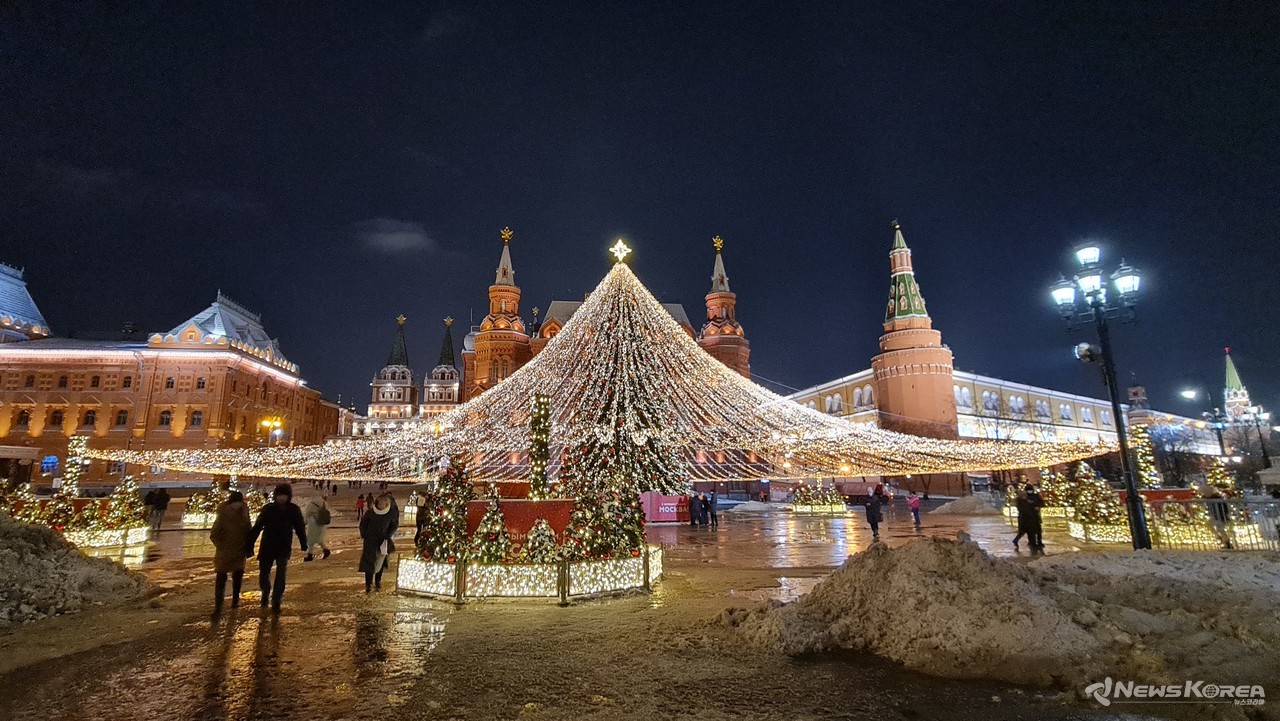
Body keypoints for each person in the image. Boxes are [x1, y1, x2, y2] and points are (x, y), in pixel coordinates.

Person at [247, 483, 307, 613]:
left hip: (283, 546)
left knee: (281, 575)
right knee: (264, 573)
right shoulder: (268, 508)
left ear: (288, 496)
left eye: (284, 495)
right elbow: (258, 526)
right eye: (280, 495)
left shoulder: (293, 509)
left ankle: (276, 600)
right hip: (267, 544)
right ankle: (265, 591)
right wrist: (250, 542)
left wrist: (304, 542)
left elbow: (299, 527)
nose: (282, 498)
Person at [210, 491, 252, 614]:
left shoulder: (243, 512)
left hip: (236, 551)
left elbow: (248, 529)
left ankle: (230, 603)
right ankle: (222, 605)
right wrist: (221, 546)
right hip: (228, 551)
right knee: (224, 577)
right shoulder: (225, 513)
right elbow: (215, 533)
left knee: (233, 577)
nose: (237, 505)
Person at [359, 492, 399, 592]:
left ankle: (378, 581)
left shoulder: (391, 514)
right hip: (370, 541)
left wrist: (388, 535)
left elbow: (394, 525)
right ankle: (368, 583)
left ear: (386, 504)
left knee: (380, 563)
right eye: (379, 503)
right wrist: (364, 534)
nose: (380, 505)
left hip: (382, 541)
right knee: (369, 563)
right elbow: (363, 524)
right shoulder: (370, 512)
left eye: (383, 504)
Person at [302, 494, 333, 561]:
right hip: (322, 523)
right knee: (319, 538)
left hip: (313, 523)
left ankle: (310, 555)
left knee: (310, 540)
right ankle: (325, 550)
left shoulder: (311, 504)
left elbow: (307, 514)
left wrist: (304, 523)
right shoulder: (324, 503)